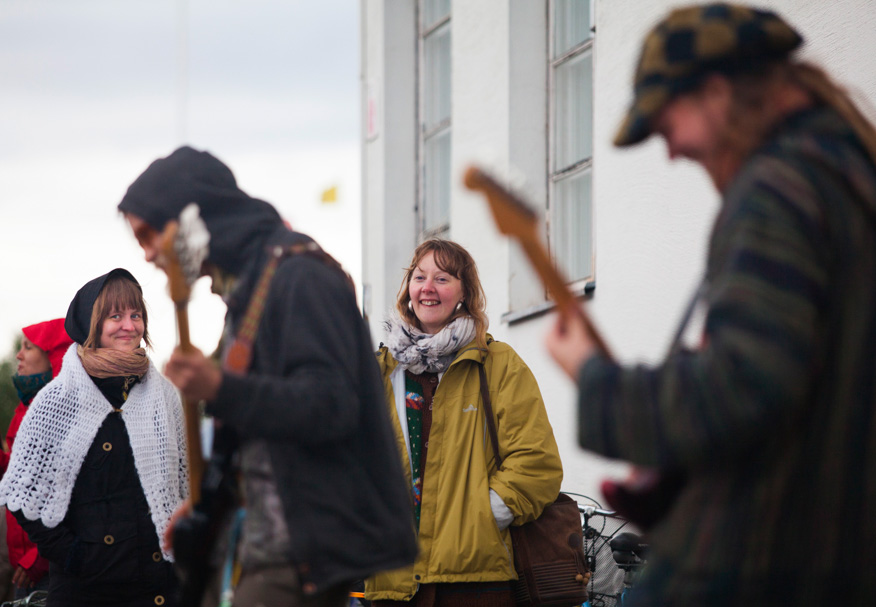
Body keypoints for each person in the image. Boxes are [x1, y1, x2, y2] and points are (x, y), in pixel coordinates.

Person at [545, 3, 876, 606]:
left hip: (757, 562)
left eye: (666, 126)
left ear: (717, 92)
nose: (670, 153)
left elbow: (742, 391)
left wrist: (595, 379)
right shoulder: (850, 174)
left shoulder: (773, 191)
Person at [118, 146, 418, 607]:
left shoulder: (301, 276)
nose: (147, 254)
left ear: (189, 217)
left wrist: (219, 387)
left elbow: (331, 405)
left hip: (296, 560)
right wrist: (211, 505)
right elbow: (265, 438)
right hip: (261, 551)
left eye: (148, 234)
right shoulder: (253, 290)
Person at [367, 239, 563, 607]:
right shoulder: (380, 368)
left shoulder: (498, 363)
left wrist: (481, 518)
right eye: (420, 276)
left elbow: (537, 463)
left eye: (442, 278)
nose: (428, 288)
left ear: (464, 292)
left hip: (473, 581)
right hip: (393, 580)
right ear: (408, 287)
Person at [0, 269, 188, 607]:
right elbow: (22, 496)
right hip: (87, 592)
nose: (129, 326)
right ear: (91, 324)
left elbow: (184, 489)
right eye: (115, 316)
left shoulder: (166, 397)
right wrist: (76, 557)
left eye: (136, 315)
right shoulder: (56, 400)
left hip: (158, 588)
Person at [1, 319, 73, 599]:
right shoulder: (25, 408)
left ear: (54, 357)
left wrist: (40, 557)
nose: (19, 355)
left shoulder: (65, 414)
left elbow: (68, 492)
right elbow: (18, 476)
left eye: (28, 347)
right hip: (26, 566)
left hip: (50, 569)